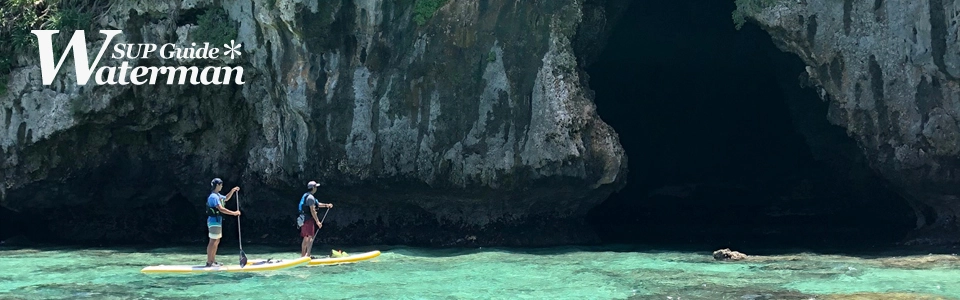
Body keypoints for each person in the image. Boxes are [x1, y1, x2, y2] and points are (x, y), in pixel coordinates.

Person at [206, 178, 240, 267]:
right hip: (213, 221)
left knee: (216, 241)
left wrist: (232, 190)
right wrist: (234, 213)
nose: (222, 186)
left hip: (217, 221)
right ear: (217, 185)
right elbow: (221, 208)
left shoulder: (218, 195)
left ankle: (213, 261)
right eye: (221, 184)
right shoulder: (213, 196)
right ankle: (209, 262)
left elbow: (226, 198)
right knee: (213, 241)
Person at [300, 180, 332, 258]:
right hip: (308, 220)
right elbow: (312, 210)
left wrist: (326, 205)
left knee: (306, 237)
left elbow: (317, 204)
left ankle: (303, 256)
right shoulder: (310, 198)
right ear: (313, 188)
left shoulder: (307, 196)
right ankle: (307, 256)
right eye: (316, 187)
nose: (316, 188)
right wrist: (318, 222)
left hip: (303, 219)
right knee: (310, 236)